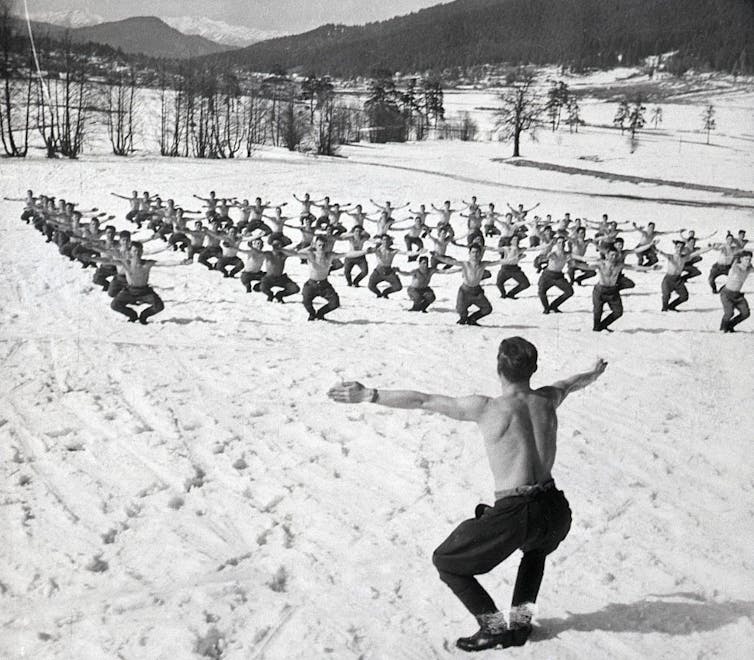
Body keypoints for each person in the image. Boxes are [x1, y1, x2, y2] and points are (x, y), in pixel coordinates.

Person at [327, 337, 607, 651]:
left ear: (499, 370)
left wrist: (369, 394)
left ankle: (495, 628)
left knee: (446, 561)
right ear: (534, 369)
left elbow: (423, 400)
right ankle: (520, 624)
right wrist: (594, 373)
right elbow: (570, 383)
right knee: (536, 553)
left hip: (519, 511)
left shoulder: (488, 408)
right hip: (555, 510)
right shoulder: (548, 399)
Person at [437, 244, 503, 326]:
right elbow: (450, 261)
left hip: (477, 292)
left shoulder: (483, 264)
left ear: (480, 254)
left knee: (487, 309)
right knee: (460, 309)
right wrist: (438, 257)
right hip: (465, 291)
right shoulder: (465, 264)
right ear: (469, 253)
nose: (475, 254)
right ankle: (463, 318)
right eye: (473, 252)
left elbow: (498, 262)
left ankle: (472, 319)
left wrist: (512, 258)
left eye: (477, 252)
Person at [538, 236, 574, 314]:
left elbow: (577, 259)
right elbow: (546, 256)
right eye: (559, 243)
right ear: (556, 244)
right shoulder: (553, 253)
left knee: (569, 292)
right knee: (541, 291)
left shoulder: (567, 254)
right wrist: (546, 256)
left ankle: (554, 306)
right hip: (547, 275)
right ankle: (546, 308)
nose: (561, 244)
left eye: (563, 243)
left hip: (558, 276)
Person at [719, 251, 752, 333]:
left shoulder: (749, 268)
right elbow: (738, 271)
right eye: (746, 259)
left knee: (746, 313)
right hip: (726, 294)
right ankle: (723, 328)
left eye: (750, 259)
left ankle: (730, 325)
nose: (748, 261)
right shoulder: (736, 267)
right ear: (741, 259)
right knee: (729, 313)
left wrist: (749, 268)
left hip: (737, 295)